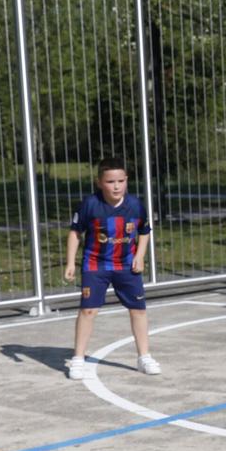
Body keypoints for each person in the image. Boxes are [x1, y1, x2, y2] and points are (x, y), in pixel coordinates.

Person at [64, 156, 159, 379]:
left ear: (126, 180)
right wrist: (70, 262)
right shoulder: (90, 204)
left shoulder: (135, 205)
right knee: (88, 310)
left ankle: (144, 356)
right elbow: (75, 233)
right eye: (110, 182)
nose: (116, 186)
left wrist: (140, 255)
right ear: (99, 182)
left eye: (120, 181)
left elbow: (144, 231)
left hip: (126, 265)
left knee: (138, 309)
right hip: (96, 264)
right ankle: (78, 358)